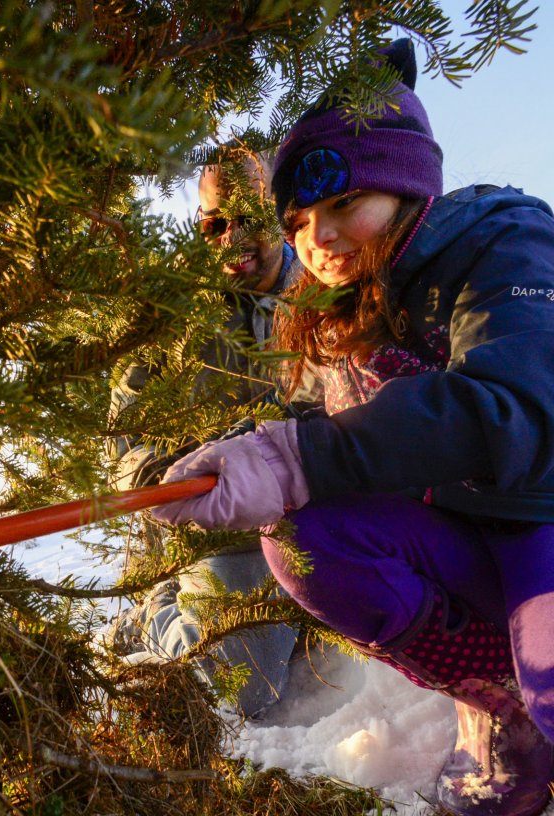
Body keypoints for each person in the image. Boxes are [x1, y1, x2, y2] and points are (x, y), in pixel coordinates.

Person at [146, 39, 554, 816]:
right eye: (298, 219)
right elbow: (334, 417)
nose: (318, 239)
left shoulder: (499, 241)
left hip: (540, 514)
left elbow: (517, 407)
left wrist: (297, 453)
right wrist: (234, 458)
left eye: (342, 206)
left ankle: (537, 691)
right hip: (455, 528)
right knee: (303, 540)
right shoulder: (325, 307)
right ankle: (498, 708)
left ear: (405, 185)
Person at [108, 146, 309, 718]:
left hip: (320, 506)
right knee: (248, 690)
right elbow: (121, 428)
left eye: (250, 216)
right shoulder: (165, 313)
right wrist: (147, 469)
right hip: (222, 528)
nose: (232, 237)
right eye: (215, 224)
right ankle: (156, 609)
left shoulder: (325, 285)